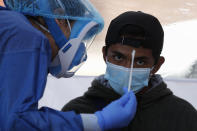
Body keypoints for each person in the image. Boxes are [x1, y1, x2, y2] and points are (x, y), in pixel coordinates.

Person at [0, 1, 137, 130]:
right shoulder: (26, 37)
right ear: (59, 19)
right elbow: (15, 122)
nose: (79, 49)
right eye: (78, 35)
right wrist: (98, 121)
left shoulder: (8, 26)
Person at [62, 11, 197, 131]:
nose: (128, 68)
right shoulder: (77, 112)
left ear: (157, 65)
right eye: (118, 57)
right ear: (105, 55)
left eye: (140, 62)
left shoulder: (183, 116)